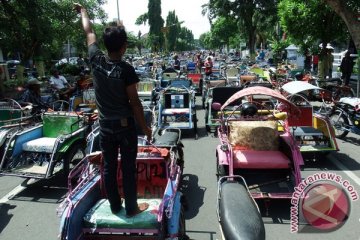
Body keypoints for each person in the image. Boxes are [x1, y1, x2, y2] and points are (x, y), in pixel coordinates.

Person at [75, 3, 151, 217]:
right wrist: (145, 128)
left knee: (108, 167)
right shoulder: (126, 70)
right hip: (125, 128)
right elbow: (135, 103)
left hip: (105, 127)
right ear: (124, 46)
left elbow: (88, 31)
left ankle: (115, 206)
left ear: (106, 44)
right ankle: (132, 208)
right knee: (127, 170)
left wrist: (83, 12)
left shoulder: (96, 59)